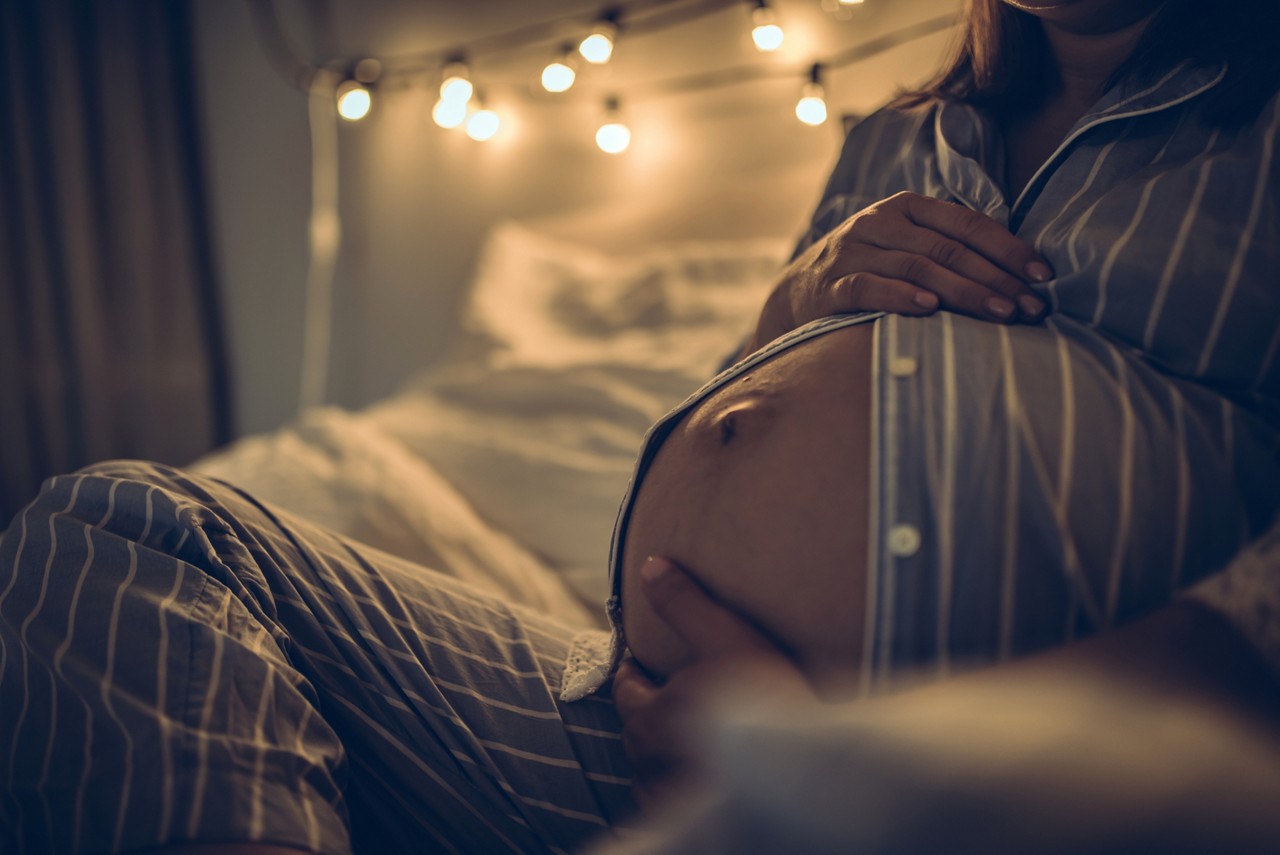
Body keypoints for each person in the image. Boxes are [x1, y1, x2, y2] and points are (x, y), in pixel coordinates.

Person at [2, 2, 1279, 854]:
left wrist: (830, 739)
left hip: (991, 760)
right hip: (626, 707)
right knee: (130, 531)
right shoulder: (894, 134)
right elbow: (742, 401)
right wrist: (799, 289)